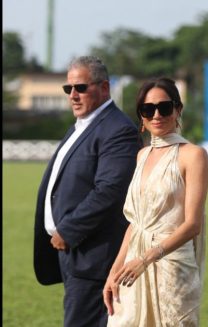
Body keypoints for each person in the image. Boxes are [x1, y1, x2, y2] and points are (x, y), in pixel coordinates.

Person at [33, 56, 141, 326]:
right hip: (74, 255)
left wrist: (68, 230)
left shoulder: (118, 130)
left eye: (80, 87)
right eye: (68, 89)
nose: (73, 95)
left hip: (94, 258)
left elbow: (110, 191)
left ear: (104, 88)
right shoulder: (81, 126)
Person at [103, 77, 208, 326]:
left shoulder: (193, 155)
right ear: (140, 115)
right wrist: (114, 271)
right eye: (148, 109)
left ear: (178, 109)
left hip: (172, 269)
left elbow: (193, 224)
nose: (156, 115)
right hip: (132, 268)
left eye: (164, 107)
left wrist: (146, 258)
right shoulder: (142, 155)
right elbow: (136, 223)